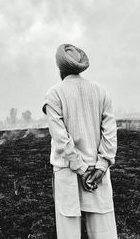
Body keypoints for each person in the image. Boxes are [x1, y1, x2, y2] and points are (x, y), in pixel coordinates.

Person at [42, 44, 118, 239]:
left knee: (69, 235)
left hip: (68, 172)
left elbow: (61, 140)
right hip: (97, 175)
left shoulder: (54, 94)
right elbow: (110, 134)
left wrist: (81, 169)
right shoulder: (101, 92)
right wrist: (100, 167)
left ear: (60, 68)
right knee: (105, 234)